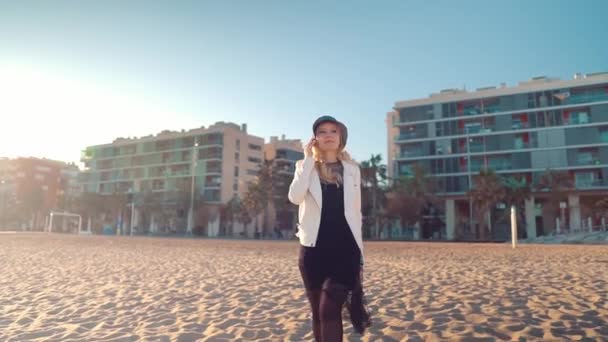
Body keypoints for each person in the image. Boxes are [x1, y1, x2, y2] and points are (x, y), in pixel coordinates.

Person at [288, 115, 366, 341]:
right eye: (322, 131)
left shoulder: (352, 169)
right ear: (315, 139)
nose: (328, 135)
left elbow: (355, 213)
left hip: (345, 251)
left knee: (328, 311)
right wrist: (308, 160)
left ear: (341, 137)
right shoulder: (304, 166)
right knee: (317, 313)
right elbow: (295, 197)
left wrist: (361, 252)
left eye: (333, 131)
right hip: (313, 251)